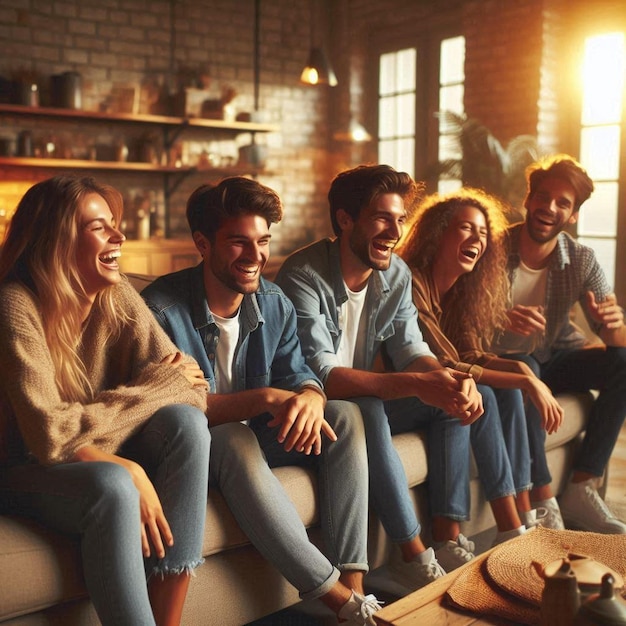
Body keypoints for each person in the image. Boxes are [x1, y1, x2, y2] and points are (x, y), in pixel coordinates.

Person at [141, 177, 382, 625]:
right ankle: (335, 597)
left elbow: (302, 375)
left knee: (344, 415)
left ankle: (356, 592)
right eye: (238, 243)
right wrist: (266, 398)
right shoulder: (158, 310)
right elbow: (170, 409)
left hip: (258, 437)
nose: (255, 257)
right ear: (202, 243)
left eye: (263, 241)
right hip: (195, 451)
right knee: (232, 437)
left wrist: (311, 395)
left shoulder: (274, 303)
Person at [275, 164, 532, 584]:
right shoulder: (302, 276)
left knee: (449, 403)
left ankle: (448, 538)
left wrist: (445, 379)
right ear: (345, 219)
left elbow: (411, 348)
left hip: (362, 403)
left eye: (399, 220)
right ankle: (411, 553)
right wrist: (418, 383)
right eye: (381, 218)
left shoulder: (394, 274)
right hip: (315, 410)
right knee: (370, 409)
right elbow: (323, 375)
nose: (394, 231)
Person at [0, 176, 211, 626]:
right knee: (114, 485)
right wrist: (127, 463)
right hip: (19, 469)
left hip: (85, 453)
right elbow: (47, 437)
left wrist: (107, 447)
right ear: (56, 241)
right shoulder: (16, 306)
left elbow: (195, 389)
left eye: (115, 225)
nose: (120, 237)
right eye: (100, 227)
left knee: (186, 426)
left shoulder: (116, 297)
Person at [398, 187, 565, 530]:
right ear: (436, 234)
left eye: (483, 232)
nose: (478, 238)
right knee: (486, 392)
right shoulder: (409, 284)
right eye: (466, 228)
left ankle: (524, 516)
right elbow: (446, 363)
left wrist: (521, 372)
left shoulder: (460, 293)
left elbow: (471, 355)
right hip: (400, 394)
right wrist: (528, 380)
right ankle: (512, 529)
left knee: (505, 388)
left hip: (436, 388)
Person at [490, 153, 626, 534]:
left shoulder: (581, 259)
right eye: (543, 197)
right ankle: (543, 497)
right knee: (526, 369)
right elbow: (459, 322)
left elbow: (615, 340)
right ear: (528, 200)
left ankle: (582, 486)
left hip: (556, 356)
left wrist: (614, 322)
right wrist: (497, 317)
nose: (549, 208)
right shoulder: (493, 249)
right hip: (503, 360)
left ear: (573, 215)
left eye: (562, 203)